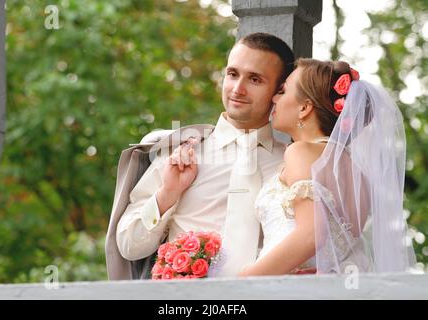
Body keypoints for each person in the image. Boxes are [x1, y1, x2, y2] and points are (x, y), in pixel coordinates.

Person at [112, 32, 295, 278]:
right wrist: (167, 194)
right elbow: (128, 246)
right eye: (232, 74)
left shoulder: (291, 164)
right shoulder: (179, 152)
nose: (237, 89)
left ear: (279, 89)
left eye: (254, 79)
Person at [237, 58, 416, 276]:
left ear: (304, 107)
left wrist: (247, 277)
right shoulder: (356, 170)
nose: (274, 97)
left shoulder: (300, 152)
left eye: (283, 91)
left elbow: (312, 234)